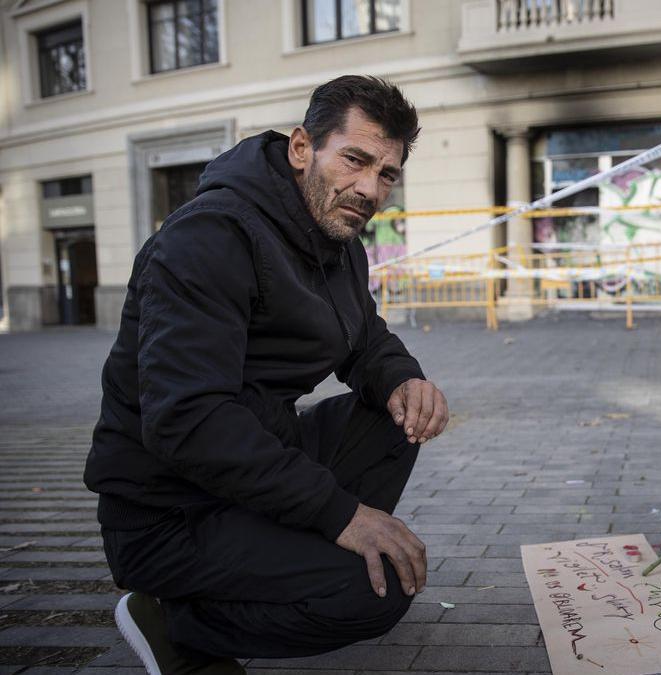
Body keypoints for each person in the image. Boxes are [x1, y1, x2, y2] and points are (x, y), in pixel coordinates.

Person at [83, 75, 448, 674]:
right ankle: (176, 625)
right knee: (370, 593)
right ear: (303, 147)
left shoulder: (338, 237)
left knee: (395, 419)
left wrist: (403, 379)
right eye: (354, 160)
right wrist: (342, 516)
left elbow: (363, 336)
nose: (369, 189)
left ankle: (281, 560)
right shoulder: (210, 237)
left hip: (248, 468)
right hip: (168, 513)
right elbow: (189, 421)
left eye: (386, 174)